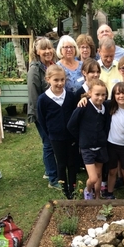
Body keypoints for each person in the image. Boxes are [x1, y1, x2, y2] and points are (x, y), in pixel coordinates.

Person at [37, 65, 79, 200]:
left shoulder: (70, 96)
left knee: (72, 163)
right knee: (61, 163)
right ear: (48, 79)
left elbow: (74, 115)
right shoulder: (43, 99)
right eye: (56, 80)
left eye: (62, 80)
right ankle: (64, 188)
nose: (60, 83)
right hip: (55, 137)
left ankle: (73, 187)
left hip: (70, 136)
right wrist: (50, 134)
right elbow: (42, 119)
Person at [27, 37, 61, 191]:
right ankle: (53, 179)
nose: (48, 51)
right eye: (44, 49)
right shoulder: (35, 69)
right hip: (41, 114)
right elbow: (33, 95)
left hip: (53, 113)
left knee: (50, 143)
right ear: (37, 51)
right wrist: (39, 117)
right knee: (49, 144)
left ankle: (48, 171)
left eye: (50, 48)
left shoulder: (52, 65)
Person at [67, 79, 110, 200]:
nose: (100, 98)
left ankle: (97, 196)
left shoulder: (105, 107)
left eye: (103, 95)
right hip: (87, 148)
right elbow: (71, 125)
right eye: (97, 94)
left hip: (101, 146)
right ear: (90, 93)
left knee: (99, 174)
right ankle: (88, 190)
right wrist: (82, 137)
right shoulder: (83, 106)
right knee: (93, 178)